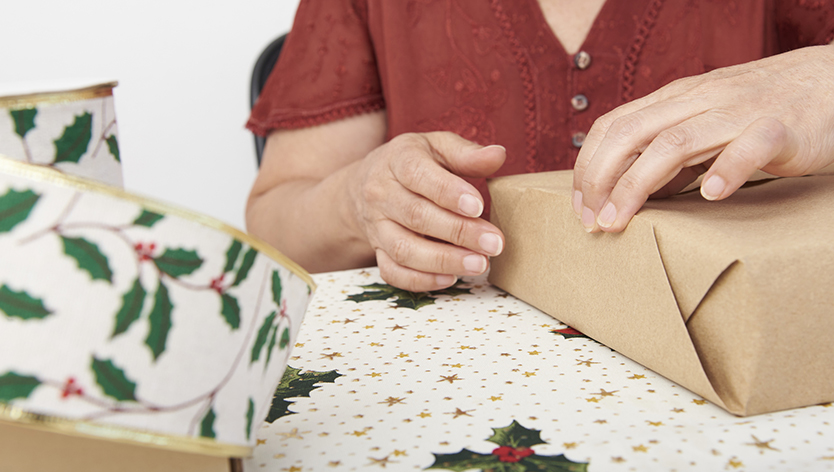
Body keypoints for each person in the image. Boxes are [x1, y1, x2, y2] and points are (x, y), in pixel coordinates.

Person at [247, 0, 834, 292]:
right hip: (457, 389)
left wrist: (820, 79)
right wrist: (357, 203)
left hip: (737, 353)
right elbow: (273, 232)